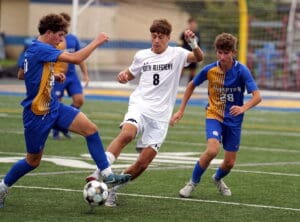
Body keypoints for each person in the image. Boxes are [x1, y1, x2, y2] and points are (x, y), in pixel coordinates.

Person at [0, 13, 130, 208]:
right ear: (50, 33)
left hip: (54, 106)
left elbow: (21, 73)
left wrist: (51, 74)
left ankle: (107, 174)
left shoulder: (34, 48)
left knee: (91, 130)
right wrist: (97, 41)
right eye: (60, 35)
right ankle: (3, 187)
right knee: (32, 161)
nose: (62, 40)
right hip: (37, 114)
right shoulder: (42, 48)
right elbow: (76, 58)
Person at [86, 18, 204, 207]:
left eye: (160, 37)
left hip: (160, 116)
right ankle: (99, 171)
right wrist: (123, 76)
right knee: (127, 134)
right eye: (154, 36)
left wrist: (193, 44)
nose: (156, 40)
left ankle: (113, 190)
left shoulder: (178, 54)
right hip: (140, 105)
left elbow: (198, 58)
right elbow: (130, 73)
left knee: (142, 164)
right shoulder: (142, 55)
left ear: (168, 38)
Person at [170, 33, 262, 198]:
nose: (222, 56)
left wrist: (243, 107)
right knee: (212, 150)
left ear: (233, 53)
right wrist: (181, 110)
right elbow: (191, 85)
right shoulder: (210, 70)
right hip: (214, 115)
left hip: (234, 120)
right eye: (219, 52)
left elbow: (257, 96)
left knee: (230, 163)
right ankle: (192, 182)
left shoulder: (242, 70)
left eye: (226, 53)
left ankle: (217, 178)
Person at [52, 12, 89, 139]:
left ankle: (63, 125)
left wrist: (85, 74)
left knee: (79, 100)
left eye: (66, 24)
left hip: (72, 76)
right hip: (59, 76)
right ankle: (56, 131)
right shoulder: (54, 40)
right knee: (57, 103)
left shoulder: (73, 39)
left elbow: (80, 58)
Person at [179, 17, 201, 83]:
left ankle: (189, 87)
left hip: (194, 55)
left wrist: (199, 55)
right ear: (189, 24)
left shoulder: (197, 34)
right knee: (180, 72)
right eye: (191, 23)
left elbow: (199, 44)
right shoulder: (184, 33)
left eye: (194, 23)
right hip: (186, 55)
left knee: (192, 73)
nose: (193, 25)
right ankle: (174, 85)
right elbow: (180, 43)